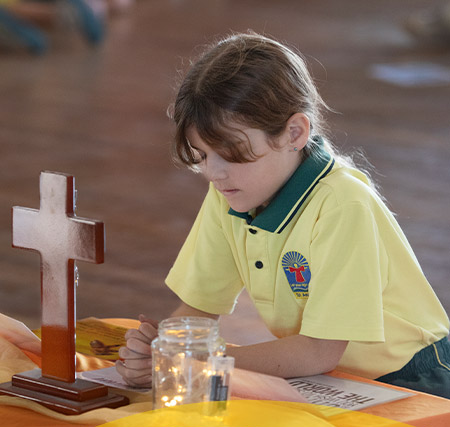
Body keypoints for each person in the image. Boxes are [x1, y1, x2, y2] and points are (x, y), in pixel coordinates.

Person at [116, 32, 450, 399]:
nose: (213, 172)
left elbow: (317, 351)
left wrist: (195, 360)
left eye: (231, 153)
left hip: (412, 380)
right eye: (202, 155)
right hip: (330, 379)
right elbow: (198, 308)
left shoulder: (343, 204)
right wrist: (158, 353)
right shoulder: (230, 193)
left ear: (295, 132)